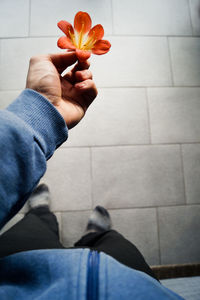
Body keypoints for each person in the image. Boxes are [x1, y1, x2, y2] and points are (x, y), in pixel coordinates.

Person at [0, 52, 184, 299]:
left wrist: (40, 111)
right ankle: (95, 235)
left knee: (33, 227)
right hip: (130, 283)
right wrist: (43, 110)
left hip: (20, 275)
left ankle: (41, 215)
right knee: (113, 240)